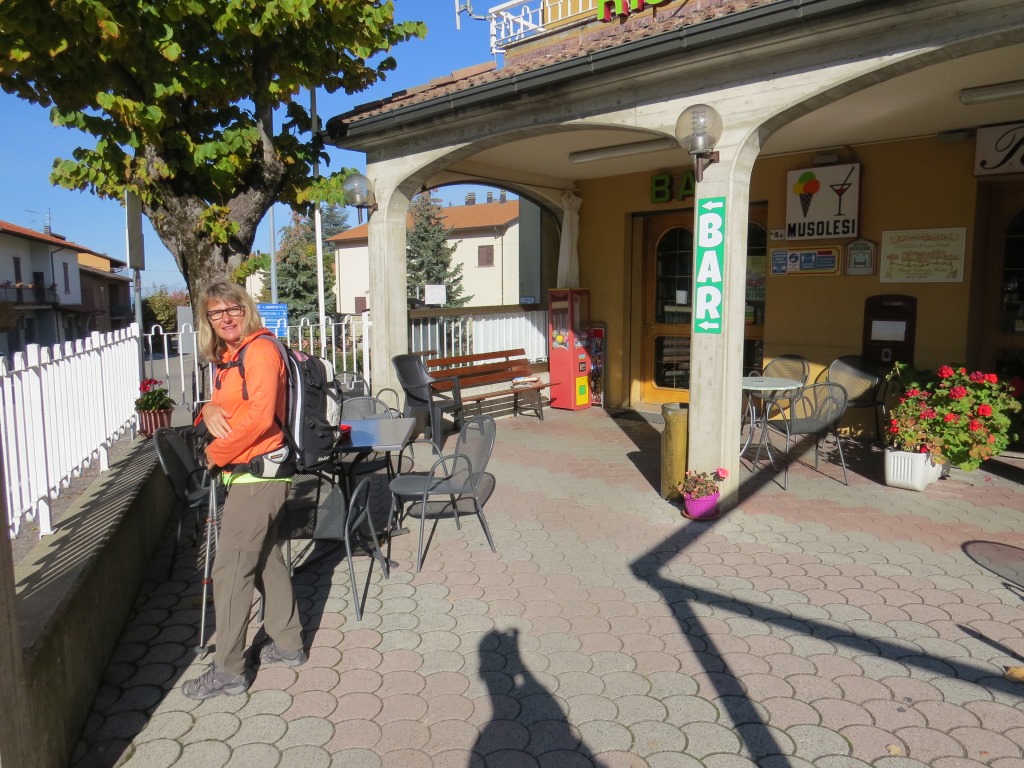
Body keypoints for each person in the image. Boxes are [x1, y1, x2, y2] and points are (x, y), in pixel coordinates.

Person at [181, 281, 306, 700]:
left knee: (231, 571)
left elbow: (260, 418)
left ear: (246, 309)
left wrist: (214, 454)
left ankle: (229, 670)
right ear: (208, 320)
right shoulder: (230, 357)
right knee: (266, 560)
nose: (226, 318)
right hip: (246, 475)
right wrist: (208, 408)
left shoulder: (261, 350)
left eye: (232, 308)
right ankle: (288, 643)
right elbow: (228, 410)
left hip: (259, 475)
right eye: (216, 313)